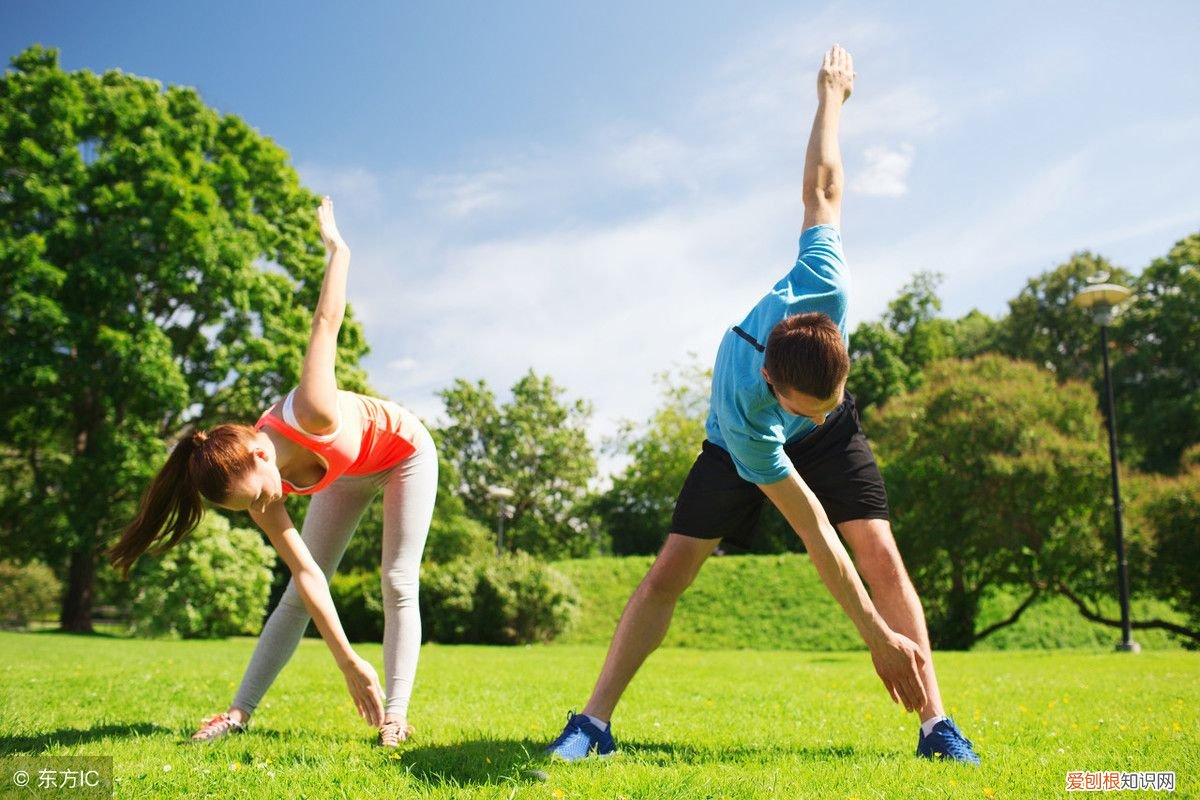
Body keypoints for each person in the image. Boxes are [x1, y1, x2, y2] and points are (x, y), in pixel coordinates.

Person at [545, 45, 980, 765]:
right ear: (777, 386)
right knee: (670, 572)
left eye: (829, 400)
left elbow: (824, 188)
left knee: (882, 551)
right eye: (807, 406)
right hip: (737, 448)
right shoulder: (747, 407)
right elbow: (813, 532)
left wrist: (830, 99)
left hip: (816, 430)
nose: (818, 412)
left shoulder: (824, 287)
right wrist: (873, 636)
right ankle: (592, 723)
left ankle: (938, 727)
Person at [108, 198, 437, 749]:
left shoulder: (313, 409)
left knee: (398, 580)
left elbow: (326, 323)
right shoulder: (258, 488)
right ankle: (238, 712)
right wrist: (347, 660)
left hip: (403, 453)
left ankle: (395, 718)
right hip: (346, 473)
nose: (265, 505)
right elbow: (309, 578)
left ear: (262, 456)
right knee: (293, 594)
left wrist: (339, 250)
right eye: (251, 506)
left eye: (259, 497)